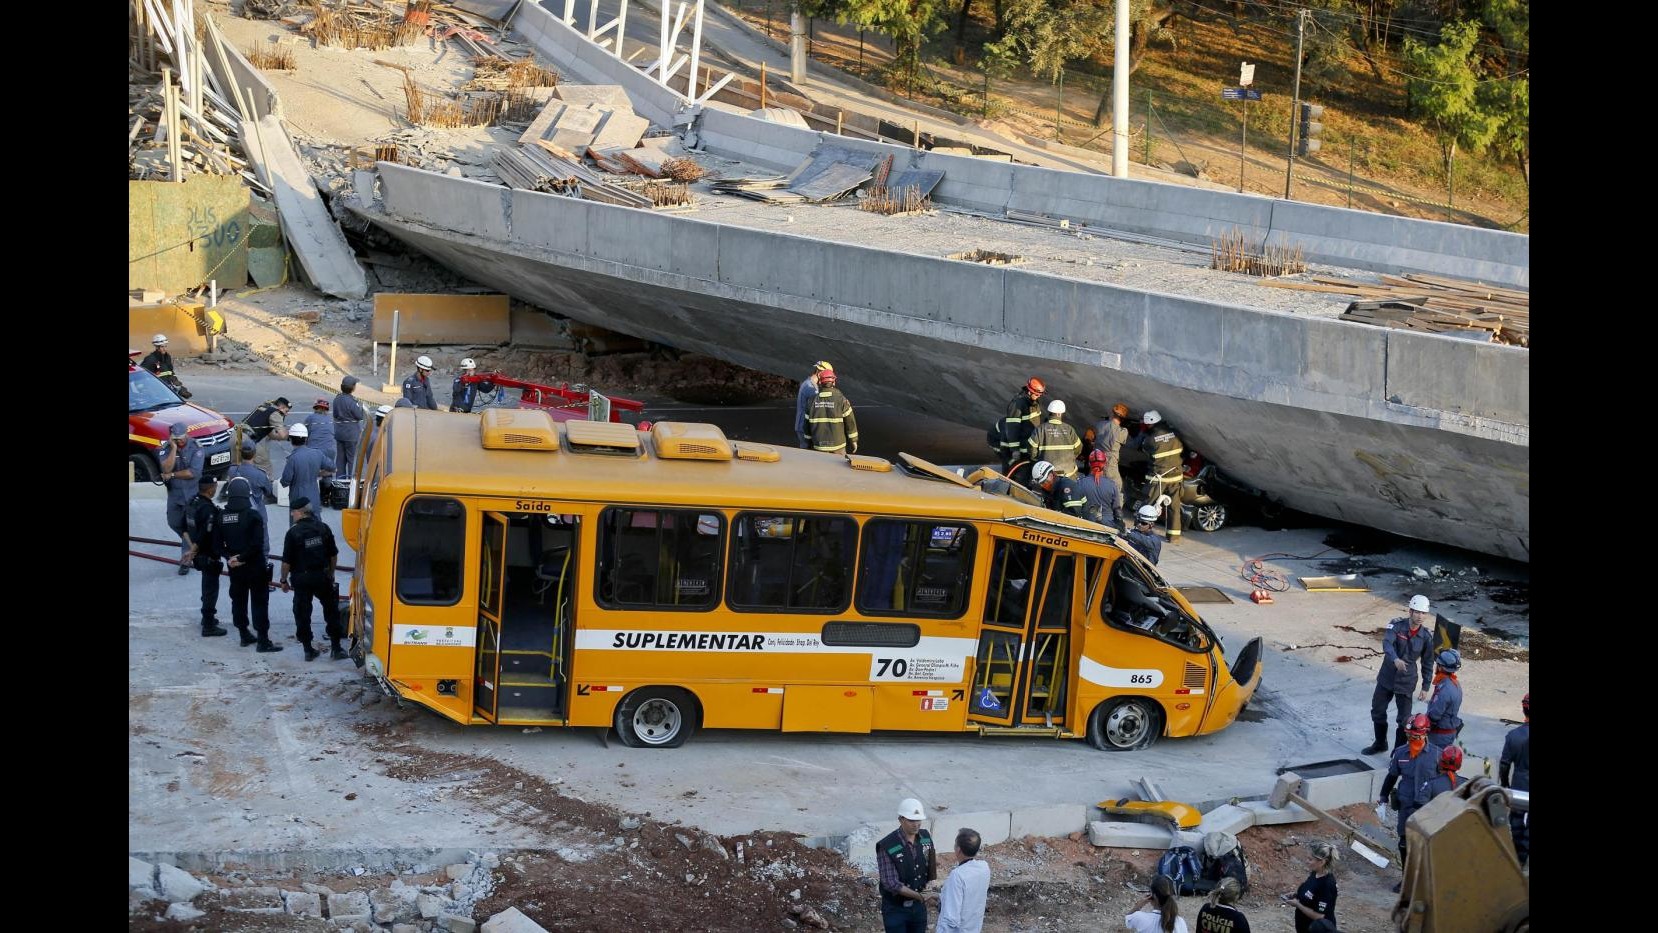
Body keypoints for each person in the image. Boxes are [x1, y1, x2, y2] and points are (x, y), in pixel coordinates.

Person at [1362, 594, 1437, 755]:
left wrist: (1425, 686)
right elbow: (1387, 643)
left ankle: (1397, 753)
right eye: (1417, 612)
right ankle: (1380, 743)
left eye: (1423, 613)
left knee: (1404, 721)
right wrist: (1395, 659)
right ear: (1410, 611)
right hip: (1387, 677)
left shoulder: (1426, 637)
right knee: (1378, 711)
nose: (1420, 616)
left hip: (1406, 681)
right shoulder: (1396, 626)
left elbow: (1428, 662)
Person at [216, 476, 281, 652]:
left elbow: (217, 544)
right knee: (259, 602)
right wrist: (242, 558)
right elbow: (257, 545)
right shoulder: (253, 515)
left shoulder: (221, 517)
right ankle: (262, 640)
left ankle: (244, 634)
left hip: (235, 568)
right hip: (255, 567)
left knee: (238, 600)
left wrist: (231, 558)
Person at [280, 497, 346, 661]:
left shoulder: (293, 533)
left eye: (293, 512)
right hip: (322, 577)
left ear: (301, 512)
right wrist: (331, 573)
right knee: (331, 611)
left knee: (302, 613)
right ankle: (336, 648)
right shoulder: (323, 528)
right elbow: (333, 555)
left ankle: (308, 650)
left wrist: (283, 580)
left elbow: (286, 562)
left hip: (302, 578)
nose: (291, 514)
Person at [1378, 713, 1436, 882]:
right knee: (1404, 843)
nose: (1411, 737)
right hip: (1406, 806)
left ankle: (1426, 879)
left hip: (1428, 808)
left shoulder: (1436, 756)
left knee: (1426, 843)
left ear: (1425, 733)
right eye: (1409, 734)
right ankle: (1407, 880)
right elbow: (1391, 776)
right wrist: (1382, 798)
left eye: (1414, 734)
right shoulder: (1400, 753)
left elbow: (1445, 781)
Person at [875, 798, 936, 933]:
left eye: (918, 820)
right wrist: (920, 896)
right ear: (901, 819)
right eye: (911, 820)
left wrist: (930, 885)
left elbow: (930, 863)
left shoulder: (925, 837)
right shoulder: (887, 846)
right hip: (896, 909)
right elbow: (891, 883)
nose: (916, 824)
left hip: (918, 907)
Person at [180, 475, 228, 638]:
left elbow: (183, 528)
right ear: (210, 489)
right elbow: (204, 534)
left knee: (206, 587)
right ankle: (208, 625)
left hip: (198, 554)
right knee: (210, 590)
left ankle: (208, 618)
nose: (216, 489)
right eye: (215, 487)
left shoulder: (192, 503)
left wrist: (191, 548)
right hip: (208, 554)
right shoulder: (208, 509)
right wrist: (194, 549)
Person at [160, 421, 204, 575]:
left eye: (181, 438)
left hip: (191, 495)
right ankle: (194, 545)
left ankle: (186, 560)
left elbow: (193, 472)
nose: (179, 441)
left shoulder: (196, 448)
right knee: (173, 522)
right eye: (175, 438)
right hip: (175, 495)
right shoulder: (168, 447)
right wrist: (173, 449)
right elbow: (165, 467)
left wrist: (172, 474)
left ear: (187, 434)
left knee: (189, 526)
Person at [1135, 410, 1186, 542]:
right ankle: (1173, 536)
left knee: (1148, 505)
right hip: (1176, 476)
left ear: (1148, 423)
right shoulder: (1176, 433)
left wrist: (1142, 432)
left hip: (1159, 478)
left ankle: (1139, 531)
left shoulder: (1150, 440)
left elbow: (1141, 448)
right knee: (1174, 507)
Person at [935, 828, 989, 933]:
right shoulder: (984, 868)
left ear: (958, 849)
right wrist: (942, 897)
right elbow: (968, 896)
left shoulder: (957, 875)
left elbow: (951, 918)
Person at [279, 423, 334, 525]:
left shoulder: (293, 459)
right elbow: (333, 468)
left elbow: (285, 482)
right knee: (316, 525)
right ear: (306, 439)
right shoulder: (317, 453)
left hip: (298, 498)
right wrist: (318, 474)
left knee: (297, 527)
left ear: (291, 439)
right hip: (314, 497)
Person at [1499, 692, 1529, 867]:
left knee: (1517, 822)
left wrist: (1505, 784)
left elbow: (1504, 765)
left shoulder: (1513, 736)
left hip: (1519, 783)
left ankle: (1519, 858)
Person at [995, 377, 1045, 473]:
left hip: (1028, 447)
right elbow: (1012, 428)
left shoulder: (1033, 401)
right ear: (1030, 391)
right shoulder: (1018, 404)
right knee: (1018, 476)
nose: (1038, 396)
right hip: (1020, 450)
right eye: (1037, 394)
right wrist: (1015, 450)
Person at [806, 368, 859, 455]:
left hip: (819, 446)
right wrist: (853, 440)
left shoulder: (811, 401)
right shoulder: (841, 399)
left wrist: (807, 442)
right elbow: (850, 421)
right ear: (834, 382)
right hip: (838, 446)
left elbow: (806, 425)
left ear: (820, 382)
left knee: (820, 468)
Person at [227, 436, 275, 529]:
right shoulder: (260, 474)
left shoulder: (232, 470)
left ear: (241, 453)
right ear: (254, 454)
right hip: (257, 513)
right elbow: (269, 492)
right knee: (262, 540)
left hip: (238, 514)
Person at [240, 396, 292, 482]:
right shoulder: (276, 413)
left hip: (237, 436)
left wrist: (287, 437)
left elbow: (271, 435)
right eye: (286, 411)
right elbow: (283, 435)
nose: (287, 414)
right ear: (281, 407)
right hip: (249, 439)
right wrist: (293, 434)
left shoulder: (264, 408)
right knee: (265, 466)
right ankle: (267, 488)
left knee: (240, 465)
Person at [1288, 843, 1337, 933]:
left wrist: (1298, 904)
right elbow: (1311, 895)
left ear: (1322, 862)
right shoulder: (1315, 873)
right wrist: (1297, 895)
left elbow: (1319, 916)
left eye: (1310, 859)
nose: (1307, 861)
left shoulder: (1327, 884)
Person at [1092, 402, 1131, 512]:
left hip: (1096, 458)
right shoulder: (1122, 431)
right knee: (1118, 487)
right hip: (1109, 462)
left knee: (1097, 483)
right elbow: (1127, 441)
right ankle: (1116, 512)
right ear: (1123, 418)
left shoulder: (1100, 424)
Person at [1028, 399, 1081, 476]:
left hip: (1048, 475)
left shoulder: (1040, 429)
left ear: (1050, 412)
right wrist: (1070, 457)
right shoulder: (1069, 429)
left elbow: (1032, 450)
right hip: (1068, 473)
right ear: (1060, 414)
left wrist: (1037, 460)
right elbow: (1078, 448)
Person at [1425, 648, 1464, 748]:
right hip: (1448, 733)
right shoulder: (1455, 684)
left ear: (1441, 667)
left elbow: (1434, 716)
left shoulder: (1444, 689)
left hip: (1438, 737)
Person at [1077, 449, 1123, 530]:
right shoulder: (1112, 485)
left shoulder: (1080, 483)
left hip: (1086, 524)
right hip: (1108, 527)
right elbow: (1117, 510)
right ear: (1104, 464)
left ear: (1089, 463)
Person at [332, 376, 366, 480]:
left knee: (340, 460)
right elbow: (359, 416)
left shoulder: (337, 399)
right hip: (351, 434)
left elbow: (335, 414)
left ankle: (340, 481)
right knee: (352, 460)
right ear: (352, 388)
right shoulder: (352, 401)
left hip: (340, 433)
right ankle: (352, 482)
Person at [795, 361, 833, 448]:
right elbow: (819, 408)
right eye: (827, 375)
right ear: (819, 372)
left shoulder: (808, 382)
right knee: (809, 455)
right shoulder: (811, 388)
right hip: (804, 427)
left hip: (801, 425)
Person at [141, 333, 190, 397]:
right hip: (156, 392)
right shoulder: (150, 359)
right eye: (162, 346)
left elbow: (170, 372)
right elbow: (143, 377)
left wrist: (178, 385)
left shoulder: (167, 357)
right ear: (156, 347)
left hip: (167, 389)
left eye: (165, 346)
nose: (164, 349)